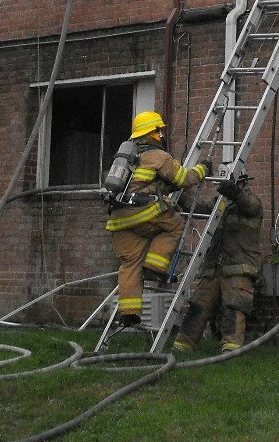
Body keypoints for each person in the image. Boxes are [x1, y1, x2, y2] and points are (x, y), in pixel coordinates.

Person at [104, 110, 208, 329]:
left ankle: (129, 313)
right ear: (153, 133)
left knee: (130, 264)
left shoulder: (127, 157)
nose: (161, 135)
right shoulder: (158, 156)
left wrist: (164, 186)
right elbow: (184, 178)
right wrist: (203, 169)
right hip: (143, 213)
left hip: (118, 219)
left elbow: (141, 184)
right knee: (174, 226)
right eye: (159, 131)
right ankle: (155, 268)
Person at [172, 172, 266, 353]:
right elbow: (196, 207)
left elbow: (250, 206)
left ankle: (231, 348)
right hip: (214, 265)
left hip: (239, 265)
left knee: (234, 306)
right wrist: (178, 193)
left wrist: (236, 194)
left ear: (241, 183)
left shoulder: (253, 202)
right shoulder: (218, 203)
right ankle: (184, 345)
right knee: (199, 305)